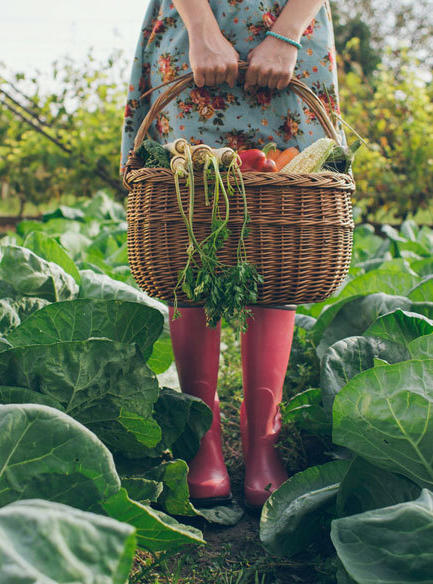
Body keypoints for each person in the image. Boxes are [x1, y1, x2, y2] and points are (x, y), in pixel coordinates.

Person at [120, 0, 340, 508]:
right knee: (189, 219)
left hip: (291, 30)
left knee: (283, 219)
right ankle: (203, 435)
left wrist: (287, 34)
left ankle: (264, 438)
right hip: (197, 28)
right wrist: (200, 28)